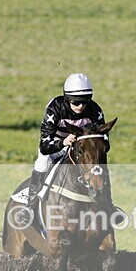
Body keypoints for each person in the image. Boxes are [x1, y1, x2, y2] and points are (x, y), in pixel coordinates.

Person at [26, 73, 106, 205]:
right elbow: (44, 145)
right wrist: (63, 142)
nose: (81, 106)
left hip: (80, 149)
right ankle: (30, 204)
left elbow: (103, 140)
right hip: (56, 146)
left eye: (85, 102)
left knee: (100, 168)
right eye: (76, 102)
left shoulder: (95, 110)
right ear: (67, 99)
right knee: (42, 162)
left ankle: (108, 205)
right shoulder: (55, 108)